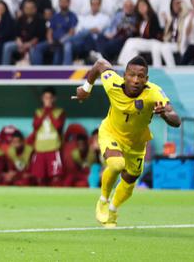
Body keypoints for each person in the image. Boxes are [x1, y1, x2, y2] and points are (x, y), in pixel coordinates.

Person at [72, 56, 181, 227]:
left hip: (136, 143)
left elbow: (176, 120)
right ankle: (103, 200)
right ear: (124, 75)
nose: (136, 80)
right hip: (111, 133)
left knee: (130, 180)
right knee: (116, 164)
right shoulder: (112, 82)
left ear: (147, 79)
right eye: (132, 75)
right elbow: (100, 64)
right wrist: (87, 88)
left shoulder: (154, 93)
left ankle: (113, 210)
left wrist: (165, 114)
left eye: (141, 76)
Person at [30, 87, 65, 186]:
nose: (48, 100)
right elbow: (35, 126)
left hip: (53, 148)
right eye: (46, 98)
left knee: (56, 177)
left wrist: (49, 111)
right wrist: (45, 111)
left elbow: (58, 126)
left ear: (54, 99)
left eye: (50, 98)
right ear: (42, 98)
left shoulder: (59, 112)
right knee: (39, 178)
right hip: (40, 148)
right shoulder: (38, 112)